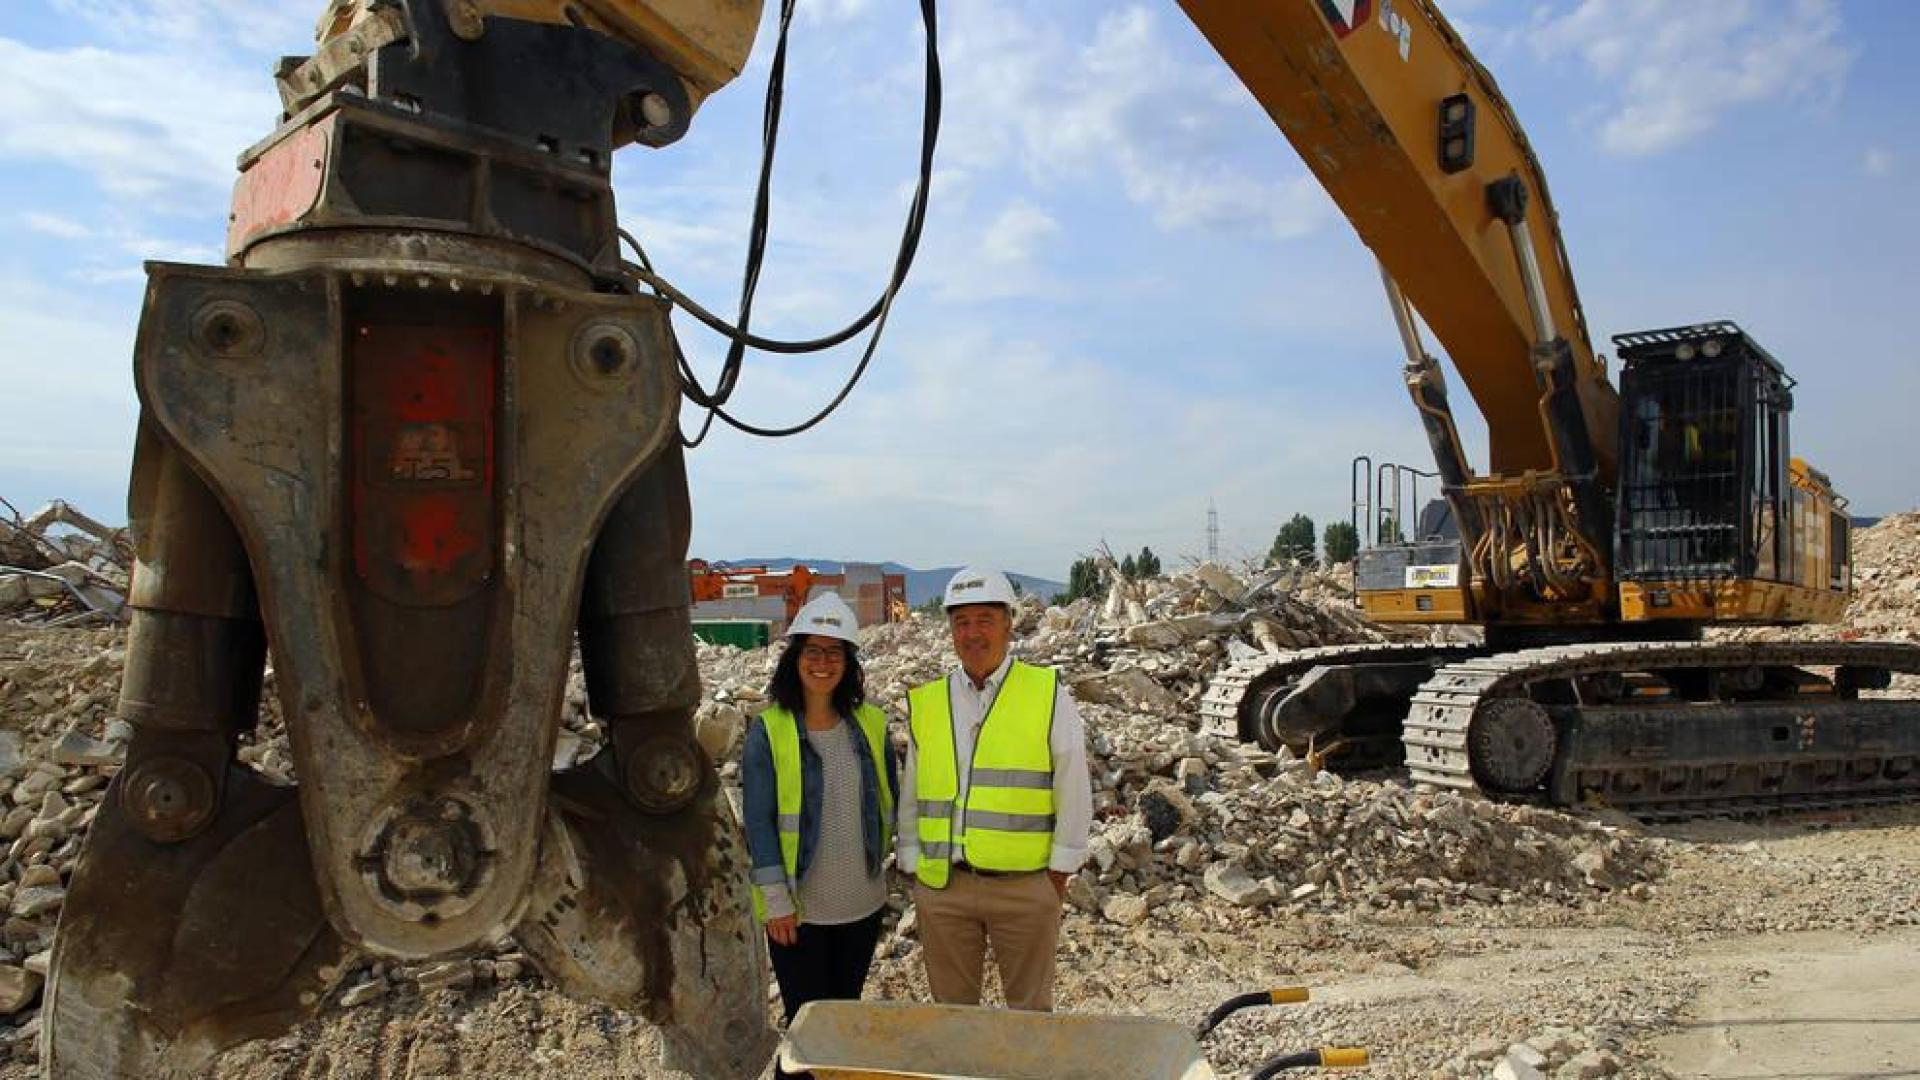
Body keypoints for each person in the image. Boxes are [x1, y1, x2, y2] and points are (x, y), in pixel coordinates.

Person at [897, 567, 1091, 1012]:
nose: (972, 633)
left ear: (1008, 623)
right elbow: (914, 789)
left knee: (1029, 1017)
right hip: (945, 888)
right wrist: (912, 863)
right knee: (953, 1016)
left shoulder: (1047, 694)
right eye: (961, 622)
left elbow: (1072, 784)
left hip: (1024, 886)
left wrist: (1059, 871)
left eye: (985, 619)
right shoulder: (928, 701)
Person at [741, 593, 898, 1071]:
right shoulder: (768, 731)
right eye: (813, 651)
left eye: (835, 653)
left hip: (861, 905)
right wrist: (776, 903)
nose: (823, 662)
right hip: (799, 915)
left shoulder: (871, 723)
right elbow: (759, 823)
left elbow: (888, 800)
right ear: (795, 659)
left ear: (848, 663)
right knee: (806, 1035)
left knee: (842, 1026)